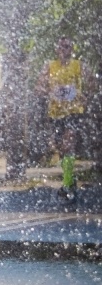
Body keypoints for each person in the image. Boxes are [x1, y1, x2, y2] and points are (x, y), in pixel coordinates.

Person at [36, 37, 93, 202]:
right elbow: (39, 87)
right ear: (57, 49)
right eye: (61, 47)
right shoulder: (49, 67)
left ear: (72, 49)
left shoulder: (79, 65)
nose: (64, 50)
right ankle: (71, 178)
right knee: (60, 148)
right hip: (55, 113)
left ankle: (67, 185)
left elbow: (92, 83)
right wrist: (49, 91)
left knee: (69, 142)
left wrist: (86, 96)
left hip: (74, 111)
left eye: (67, 47)